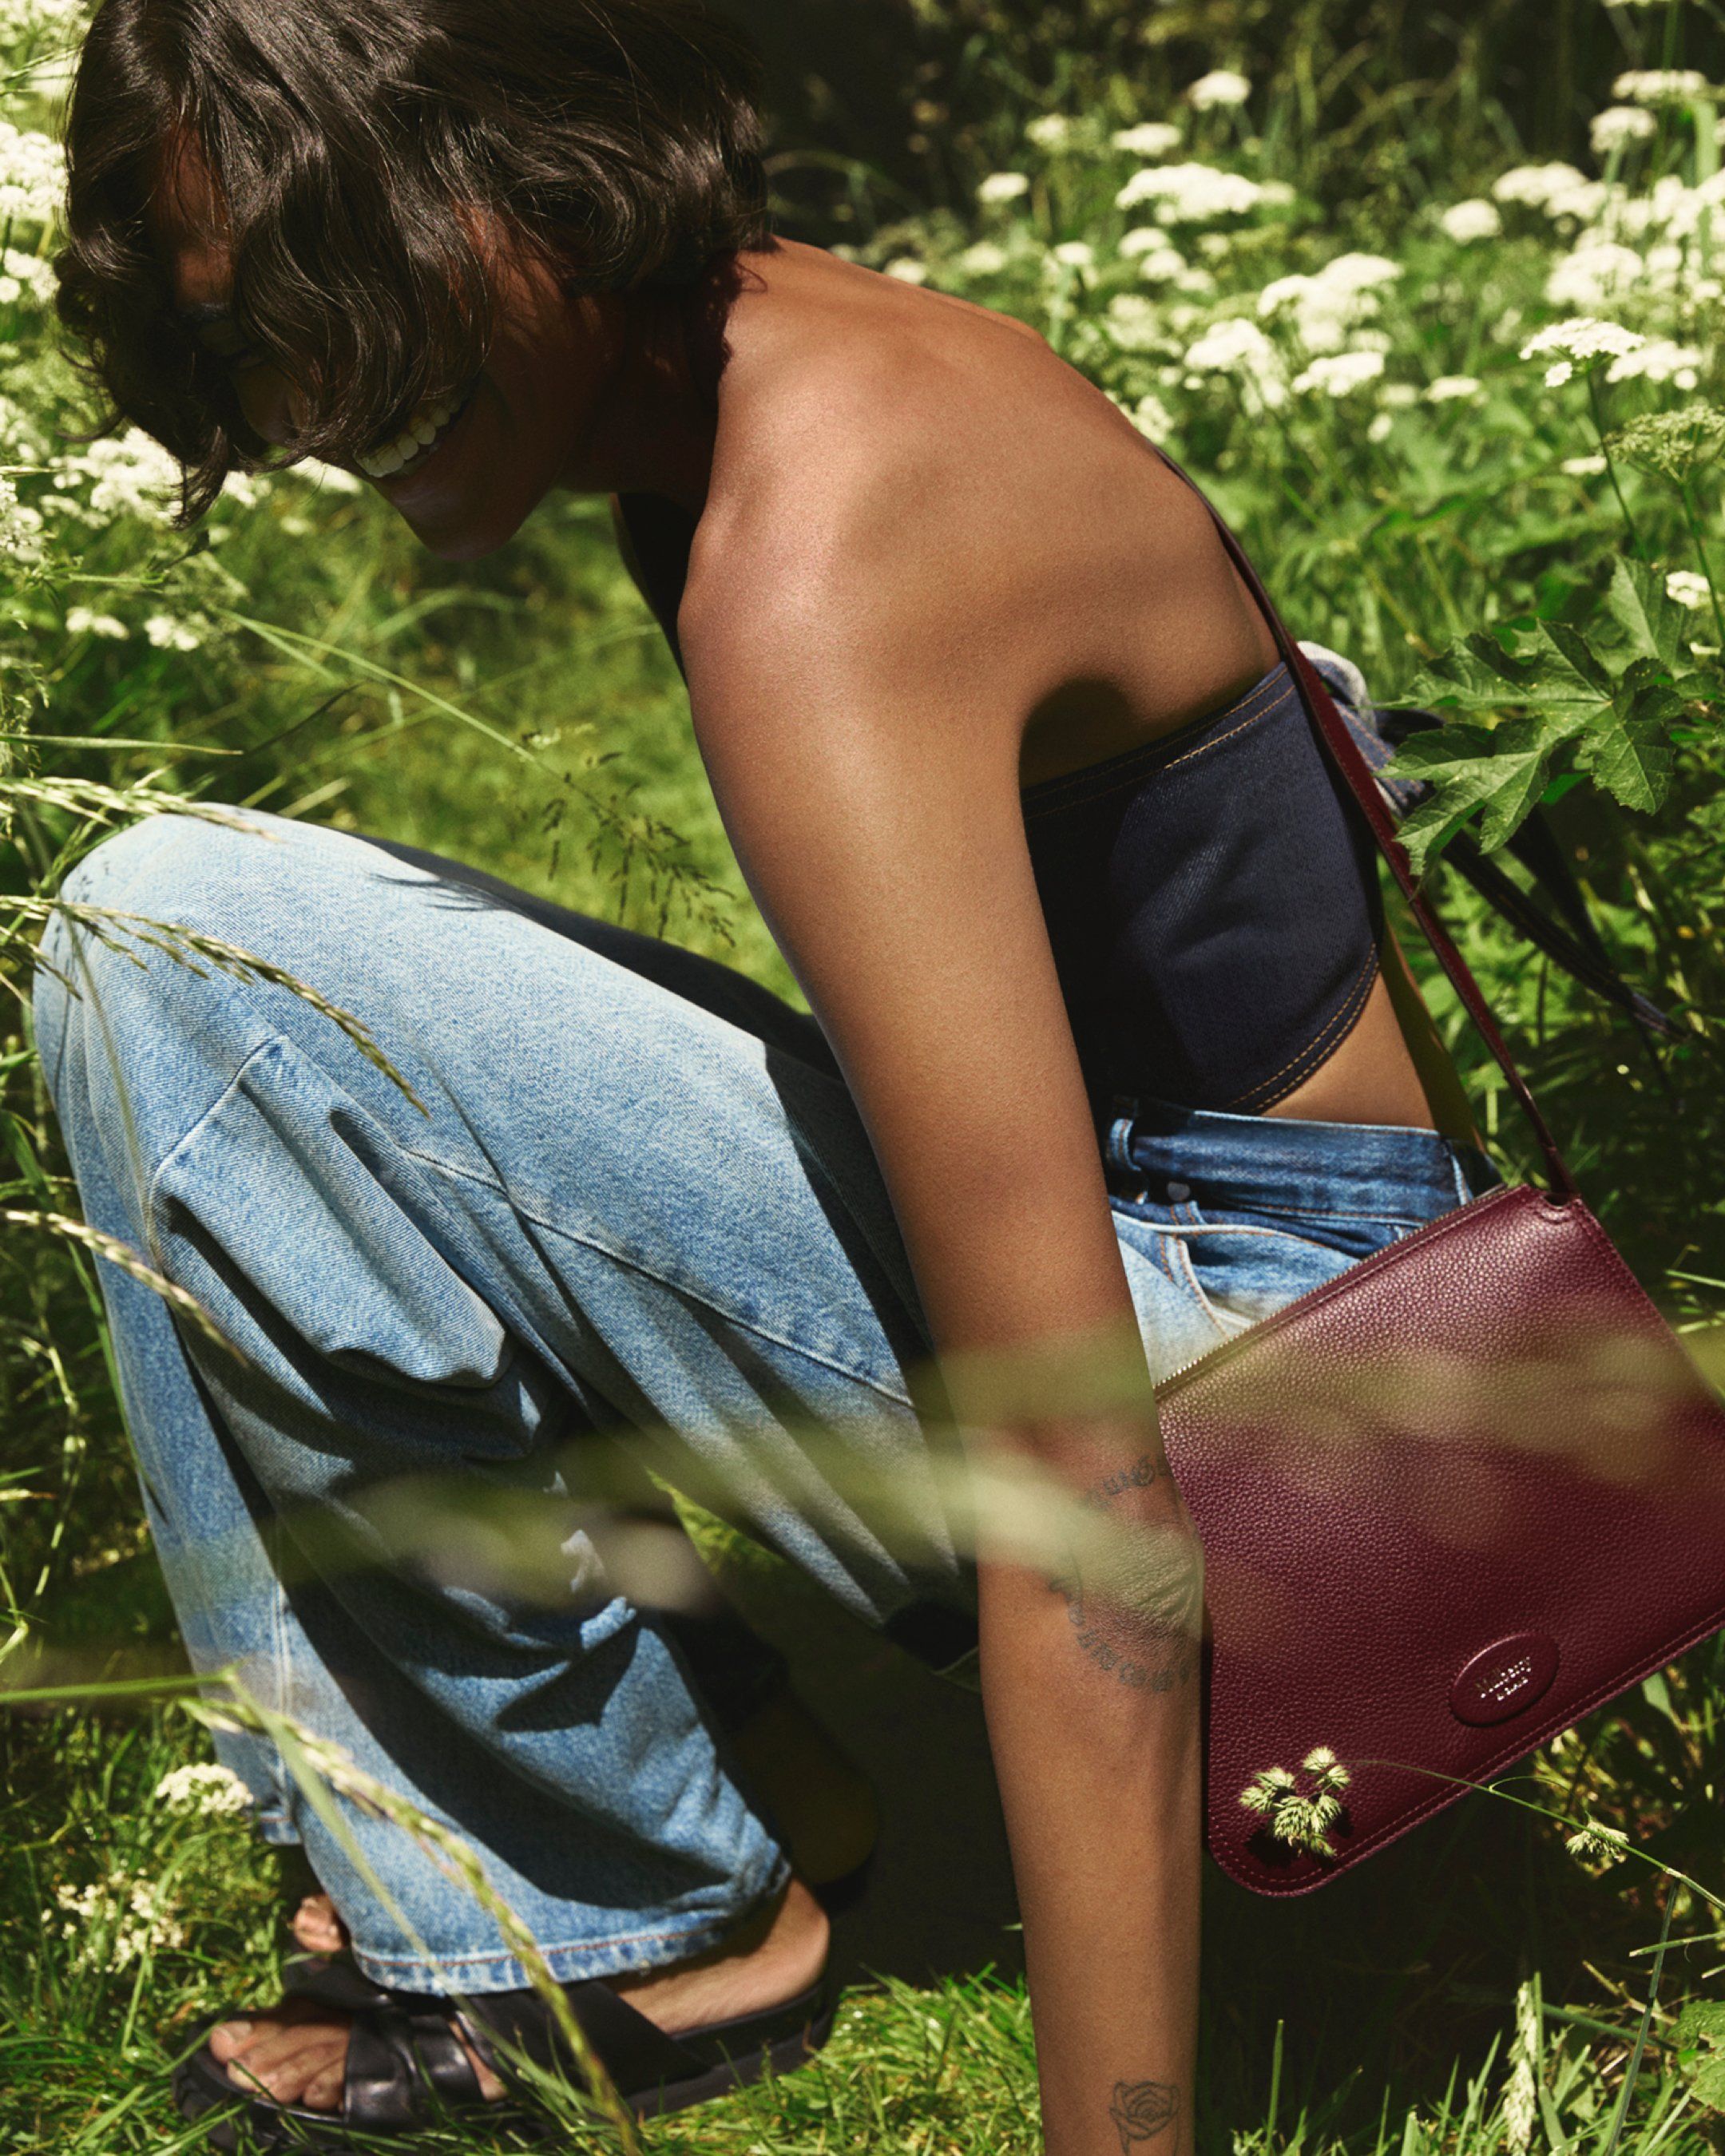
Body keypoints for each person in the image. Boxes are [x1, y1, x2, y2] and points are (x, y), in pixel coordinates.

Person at [35, 0, 1501, 2147]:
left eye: (336, 287)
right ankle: (701, 1822)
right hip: (1280, 1282)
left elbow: (1079, 1496)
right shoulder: (755, 390)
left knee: (173, 940)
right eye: (244, 333)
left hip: (1336, 1431)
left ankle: (615, 1904)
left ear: (529, 164)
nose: (305, 396)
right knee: (200, 962)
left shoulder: (822, 540)